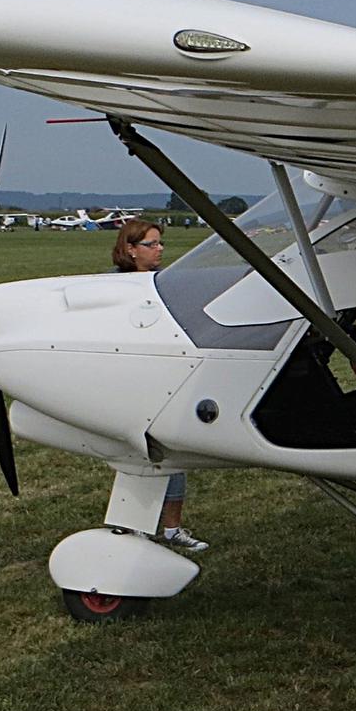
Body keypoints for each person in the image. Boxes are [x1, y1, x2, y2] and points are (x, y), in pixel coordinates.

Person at [111, 221, 208, 552]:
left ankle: (171, 529)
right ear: (130, 250)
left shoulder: (162, 284)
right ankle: (135, 527)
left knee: (171, 457)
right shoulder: (114, 288)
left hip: (162, 382)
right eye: (152, 244)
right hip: (130, 384)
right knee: (140, 457)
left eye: (160, 243)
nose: (160, 249)